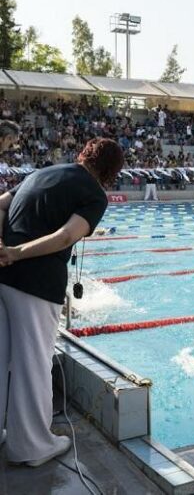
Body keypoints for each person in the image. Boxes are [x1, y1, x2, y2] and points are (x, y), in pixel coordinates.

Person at [0, 136, 124, 466]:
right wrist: (16, 253)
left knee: (1, 357)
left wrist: (4, 246)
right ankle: (30, 446)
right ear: (111, 170)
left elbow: (1, 204)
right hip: (37, 284)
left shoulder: (41, 173)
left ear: (83, 153)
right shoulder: (94, 194)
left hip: (3, 278)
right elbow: (67, 236)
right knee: (33, 363)